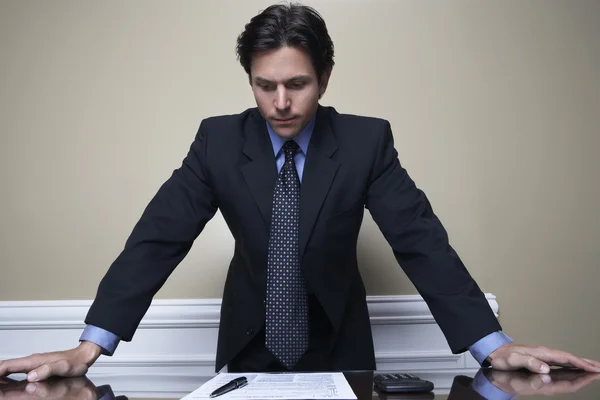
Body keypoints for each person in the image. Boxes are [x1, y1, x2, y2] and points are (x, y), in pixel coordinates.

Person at [1, 2, 599, 383]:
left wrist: (492, 347)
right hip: (246, 348)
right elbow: (157, 240)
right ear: (250, 81)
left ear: (325, 77)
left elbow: (420, 242)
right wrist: (88, 348)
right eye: (265, 86)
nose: (281, 104)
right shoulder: (216, 142)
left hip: (342, 346)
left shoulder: (366, 142)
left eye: (297, 85)